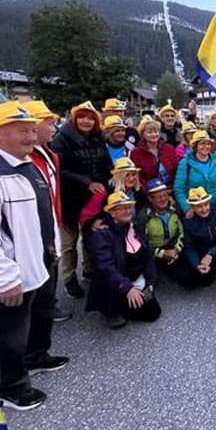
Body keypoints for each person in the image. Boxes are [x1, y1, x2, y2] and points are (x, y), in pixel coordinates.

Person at [0, 101, 68, 411]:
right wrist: (2, 278)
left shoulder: (27, 163)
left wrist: (53, 250)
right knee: (9, 333)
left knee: (38, 318)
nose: (32, 137)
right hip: (11, 273)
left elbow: (41, 215)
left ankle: (36, 358)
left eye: (33, 130)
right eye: (23, 131)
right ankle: (11, 388)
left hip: (38, 262)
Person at [50, 101, 113, 299]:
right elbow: (60, 170)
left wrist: (108, 181)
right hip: (69, 196)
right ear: (74, 118)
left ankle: (89, 270)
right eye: (82, 116)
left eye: (90, 117)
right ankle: (69, 279)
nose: (86, 121)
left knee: (91, 236)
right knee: (68, 243)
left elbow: (106, 165)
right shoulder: (61, 140)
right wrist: (87, 182)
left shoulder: (99, 138)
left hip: (93, 198)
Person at [24, 100, 72, 323]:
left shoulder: (49, 154)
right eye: (49, 124)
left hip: (52, 219)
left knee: (50, 263)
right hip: (34, 228)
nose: (54, 128)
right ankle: (40, 311)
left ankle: (47, 305)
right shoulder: (24, 158)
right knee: (40, 267)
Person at [86, 191, 161, 329]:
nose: (128, 211)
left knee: (153, 312)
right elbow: (105, 268)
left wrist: (151, 281)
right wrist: (127, 288)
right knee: (120, 320)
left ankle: (127, 305)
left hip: (137, 278)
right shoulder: (102, 235)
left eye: (129, 207)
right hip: (115, 285)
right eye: (122, 208)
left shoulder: (136, 227)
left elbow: (148, 256)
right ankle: (112, 309)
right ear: (112, 213)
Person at [177, 187, 216, 299]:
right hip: (202, 254)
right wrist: (197, 264)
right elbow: (189, 247)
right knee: (199, 282)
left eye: (206, 204)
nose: (204, 209)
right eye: (199, 206)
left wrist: (211, 253)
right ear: (192, 207)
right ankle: (209, 272)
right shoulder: (187, 222)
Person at [138, 178, 184, 282]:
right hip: (153, 252)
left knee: (190, 279)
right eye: (158, 197)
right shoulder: (144, 216)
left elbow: (182, 232)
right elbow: (142, 243)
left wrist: (177, 250)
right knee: (151, 280)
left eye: (165, 195)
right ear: (150, 199)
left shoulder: (174, 209)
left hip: (172, 248)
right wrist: (162, 253)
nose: (163, 199)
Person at [174, 130, 216, 217]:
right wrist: (187, 208)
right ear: (195, 146)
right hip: (195, 209)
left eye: (208, 144)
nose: (206, 146)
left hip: (215, 208)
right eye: (202, 144)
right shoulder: (185, 163)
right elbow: (179, 189)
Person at [79, 157, 144, 227]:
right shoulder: (103, 193)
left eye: (133, 175)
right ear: (118, 176)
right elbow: (85, 218)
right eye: (127, 175)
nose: (131, 178)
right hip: (107, 233)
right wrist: (92, 224)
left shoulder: (139, 193)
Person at [129, 116, 178, 190]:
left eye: (156, 132)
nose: (153, 135)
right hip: (149, 191)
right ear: (143, 134)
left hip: (171, 188)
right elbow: (138, 177)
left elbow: (177, 171)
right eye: (149, 132)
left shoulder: (169, 148)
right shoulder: (136, 153)